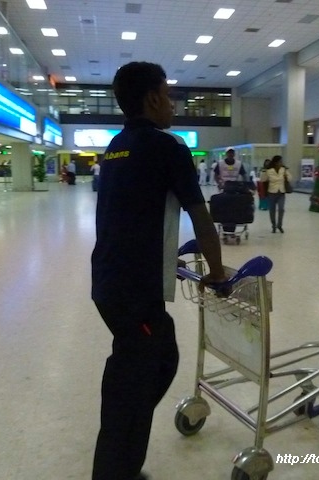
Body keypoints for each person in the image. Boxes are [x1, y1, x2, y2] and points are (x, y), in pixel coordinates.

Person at [90, 61, 228, 480]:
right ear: (152, 99)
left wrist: (166, 255)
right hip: (133, 291)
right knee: (136, 374)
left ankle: (122, 443)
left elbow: (133, 213)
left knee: (160, 356)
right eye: (168, 95)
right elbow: (200, 216)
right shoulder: (168, 147)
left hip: (111, 283)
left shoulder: (116, 146)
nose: (172, 104)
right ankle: (117, 467)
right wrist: (217, 272)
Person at [260, 155, 292, 233]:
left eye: (281, 162)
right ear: (275, 162)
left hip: (281, 192)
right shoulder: (269, 170)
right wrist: (264, 171)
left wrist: (286, 176)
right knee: (272, 210)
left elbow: (290, 178)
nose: (281, 163)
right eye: (280, 161)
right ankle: (273, 225)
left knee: (281, 209)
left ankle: (279, 225)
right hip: (271, 192)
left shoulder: (284, 170)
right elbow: (263, 179)